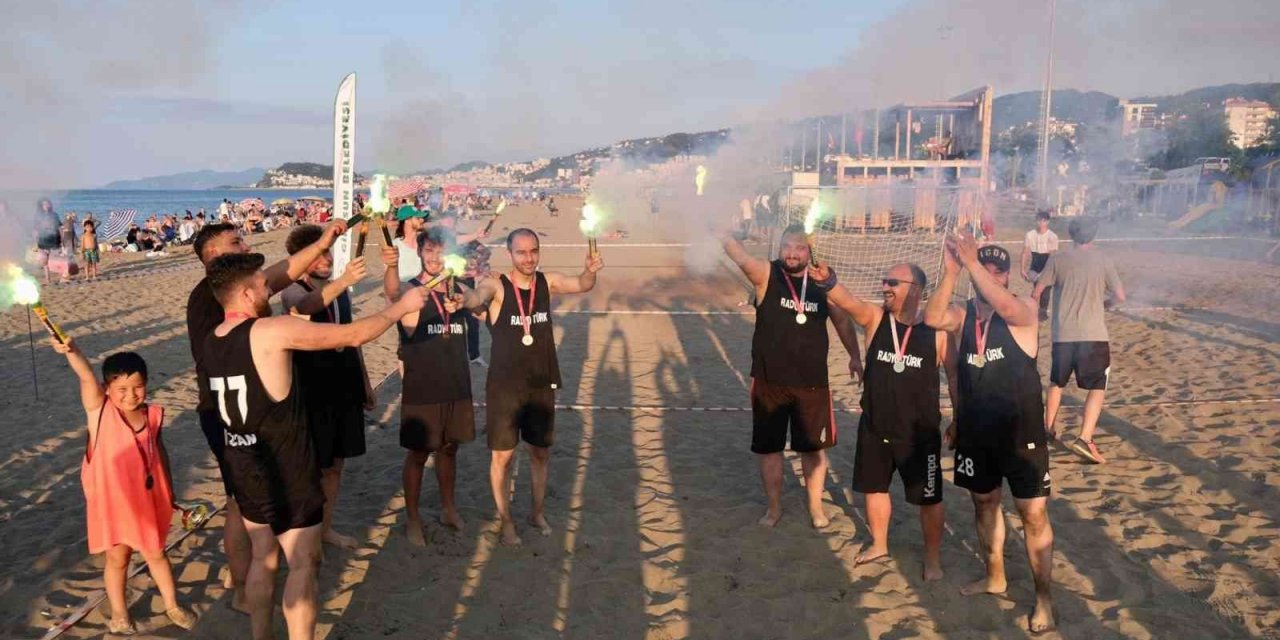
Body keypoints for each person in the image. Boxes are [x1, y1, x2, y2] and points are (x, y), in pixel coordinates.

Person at [202, 251, 424, 640]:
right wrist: (400, 308)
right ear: (244, 292)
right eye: (260, 283)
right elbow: (352, 335)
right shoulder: (269, 331)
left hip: (243, 460)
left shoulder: (212, 338)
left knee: (263, 557)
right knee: (304, 562)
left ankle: (261, 634)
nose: (267, 287)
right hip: (285, 466)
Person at [185, 220, 349, 614]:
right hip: (230, 410)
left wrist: (326, 240)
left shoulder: (234, 285)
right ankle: (243, 588)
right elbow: (283, 273)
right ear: (214, 257)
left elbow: (283, 271)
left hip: (254, 407)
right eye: (236, 241)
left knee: (252, 503)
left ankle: (254, 579)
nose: (246, 244)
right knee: (239, 504)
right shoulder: (212, 293)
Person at [924, 234, 1055, 633]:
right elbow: (931, 318)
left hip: (1021, 432)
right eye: (985, 268)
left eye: (998, 271)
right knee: (984, 503)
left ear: (1005, 277)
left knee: (1032, 515)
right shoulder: (964, 316)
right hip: (978, 432)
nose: (991, 276)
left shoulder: (1024, 310)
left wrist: (974, 264)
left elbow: (1002, 302)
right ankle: (995, 577)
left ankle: (1044, 602)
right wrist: (951, 271)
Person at [457, 228, 603, 546]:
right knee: (503, 458)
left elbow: (581, 284)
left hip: (540, 382)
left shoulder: (546, 282)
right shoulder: (497, 284)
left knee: (540, 453)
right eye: (521, 252)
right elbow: (476, 297)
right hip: (505, 387)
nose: (528, 258)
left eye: (533, 251)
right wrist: (464, 297)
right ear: (509, 253)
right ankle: (506, 520)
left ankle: (536, 513)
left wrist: (589, 271)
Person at [817, 261, 956, 579]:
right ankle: (879, 543)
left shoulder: (936, 331)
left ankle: (932, 559)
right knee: (874, 489)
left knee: (929, 499)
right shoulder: (876, 318)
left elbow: (955, 376)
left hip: (919, 434)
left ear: (916, 290)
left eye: (893, 282)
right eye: (884, 280)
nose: (885, 287)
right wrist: (829, 280)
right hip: (876, 425)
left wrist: (958, 417)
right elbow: (848, 301)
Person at [720, 223, 862, 528]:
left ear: (809, 251)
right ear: (779, 248)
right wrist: (721, 231)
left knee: (812, 451)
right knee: (769, 449)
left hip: (812, 383)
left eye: (799, 247)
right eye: (787, 246)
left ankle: (816, 509)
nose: (792, 253)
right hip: (769, 381)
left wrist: (854, 355)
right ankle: (774, 509)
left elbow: (843, 321)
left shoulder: (823, 283)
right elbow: (739, 256)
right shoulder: (767, 275)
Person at [51, 339, 197, 635]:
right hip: (113, 506)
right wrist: (73, 352)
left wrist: (169, 489)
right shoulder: (100, 411)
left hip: (148, 502)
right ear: (107, 389)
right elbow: (85, 376)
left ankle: (171, 604)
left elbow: (159, 450)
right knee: (118, 559)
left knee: (156, 554)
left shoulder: (152, 415)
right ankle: (119, 612)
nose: (131, 396)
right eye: (121, 389)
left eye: (138, 387)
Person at [279, 225, 374, 550]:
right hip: (311, 388)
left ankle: (325, 529)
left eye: (329, 252)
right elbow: (305, 307)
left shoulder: (340, 291)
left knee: (336, 464)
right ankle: (304, 533)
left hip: (344, 382)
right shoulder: (292, 290)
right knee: (311, 467)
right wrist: (344, 281)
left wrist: (364, 382)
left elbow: (352, 337)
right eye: (320, 254)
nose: (328, 259)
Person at [382, 229, 474, 546]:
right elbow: (393, 294)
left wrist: (469, 298)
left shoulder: (458, 287)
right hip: (423, 384)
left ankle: (448, 508)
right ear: (420, 252)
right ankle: (413, 519)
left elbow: (481, 303)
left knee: (450, 449)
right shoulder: (413, 289)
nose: (435, 258)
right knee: (419, 454)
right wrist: (391, 266)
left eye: (441, 251)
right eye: (430, 250)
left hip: (456, 382)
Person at [1032, 218, 1125, 463]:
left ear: (1071, 234)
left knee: (1056, 382)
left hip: (1062, 334)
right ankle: (1085, 438)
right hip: (1093, 335)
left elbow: (1037, 290)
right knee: (1097, 386)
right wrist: (1105, 305)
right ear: (1094, 235)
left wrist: (1040, 310)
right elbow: (1120, 296)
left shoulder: (1057, 258)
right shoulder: (1103, 260)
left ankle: (1048, 429)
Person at [1021, 210, 1059, 318]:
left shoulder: (1052, 236)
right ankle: (1034, 311)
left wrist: (1046, 272)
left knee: (1045, 292)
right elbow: (1025, 252)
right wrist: (1022, 269)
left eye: (1043, 221)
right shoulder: (1030, 234)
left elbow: (1052, 256)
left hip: (1047, 264)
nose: (1040, 223)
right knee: (1036, 291)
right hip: (1035, 265)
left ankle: (1042, 312)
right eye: (1038, 220)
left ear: (1047, 222)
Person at [33, 199, 61, 284]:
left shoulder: (54, 215)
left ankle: (61, 278)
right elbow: (35, 230)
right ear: (41, 206)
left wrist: (62, 240)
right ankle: (48, 280)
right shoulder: (39, 216)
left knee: (55, 261)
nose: (46, 206)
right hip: (43, 240)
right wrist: (34, 241)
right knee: (45, 262)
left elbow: (59, 227)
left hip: (54, 240)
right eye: (44, 204)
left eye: (48, 204)